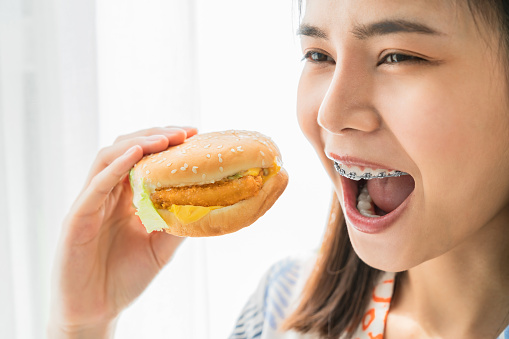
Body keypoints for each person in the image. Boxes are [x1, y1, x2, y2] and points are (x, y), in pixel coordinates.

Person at [48, 0, 509, 338]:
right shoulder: (280, 309)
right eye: (319, 55)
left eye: (399, 56)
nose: (329, 113)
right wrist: (83, 324)